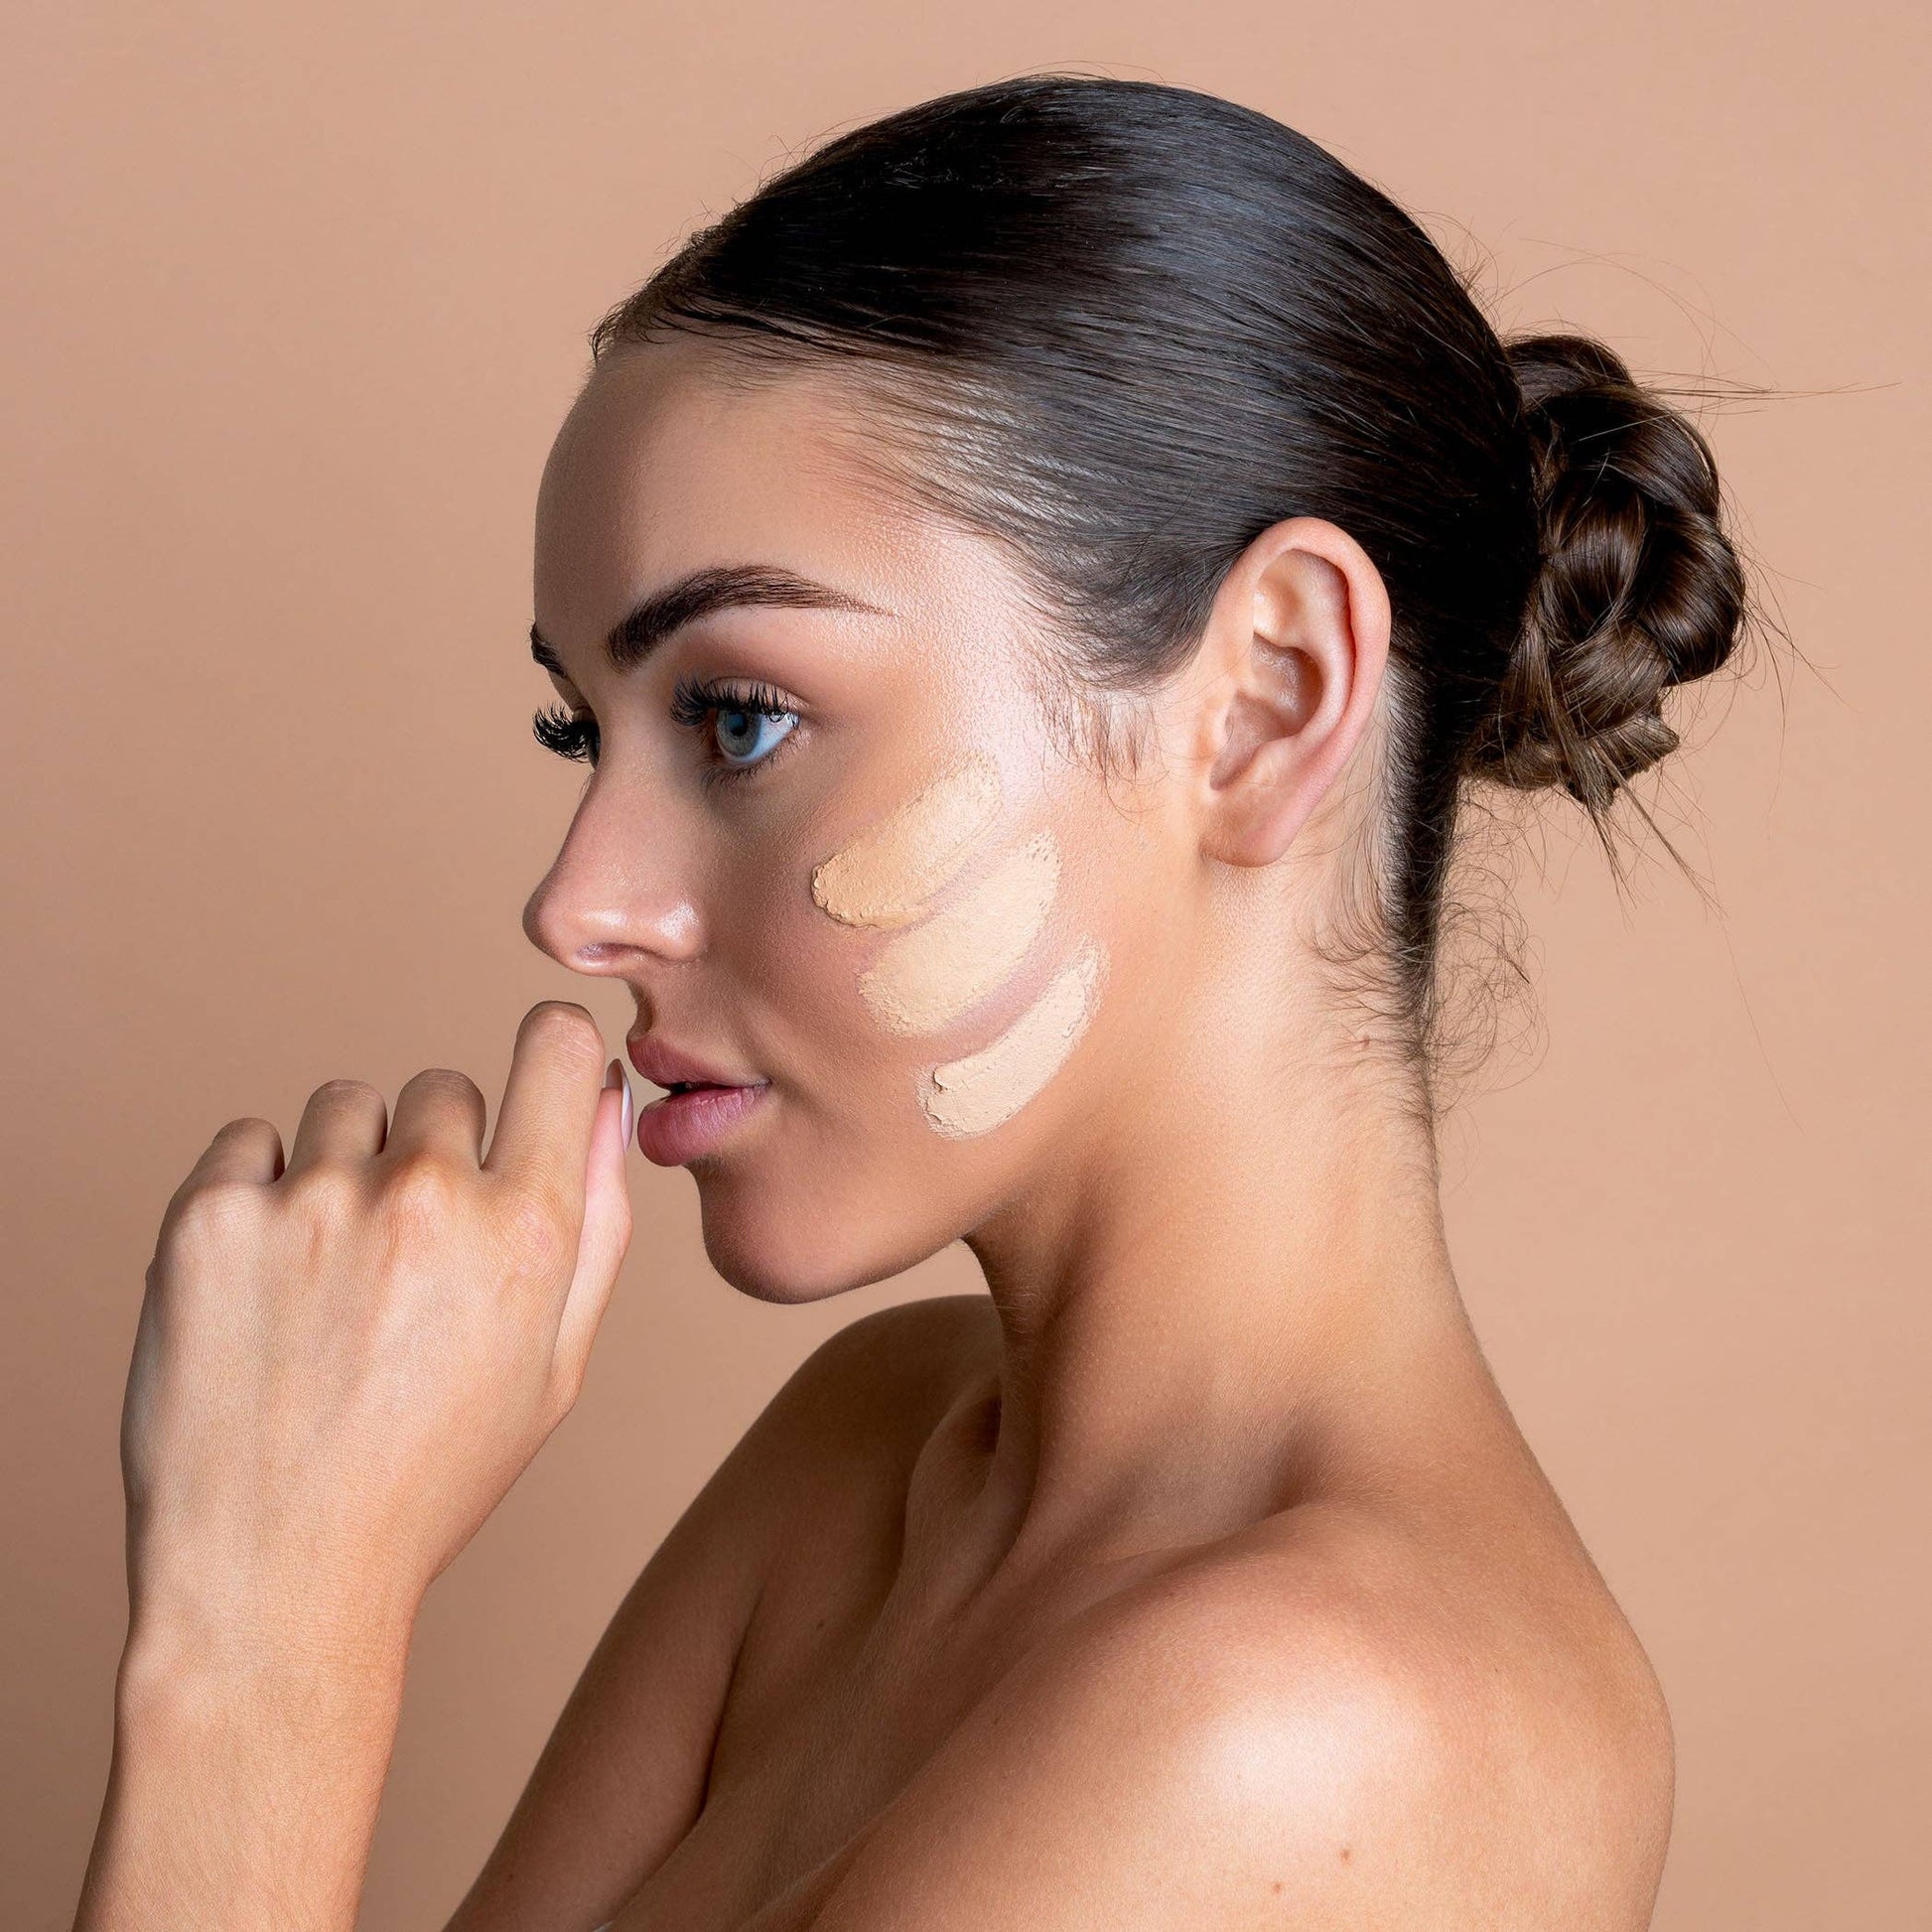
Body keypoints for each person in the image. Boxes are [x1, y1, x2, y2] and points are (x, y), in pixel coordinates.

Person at [73, 73, 1750, 1931]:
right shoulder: (867, 1452)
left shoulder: (1321, 1732)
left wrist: (260, 1629)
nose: (578, 902)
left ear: (1266, 699)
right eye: (582, 730)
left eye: (738, 717)